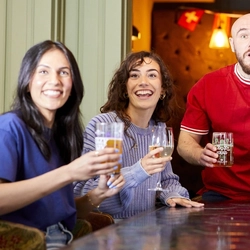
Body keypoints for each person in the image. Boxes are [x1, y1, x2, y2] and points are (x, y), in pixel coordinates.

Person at [0, 40, 125, 249]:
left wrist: (96, 195)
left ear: (73, 84)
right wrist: (69, 173)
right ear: (27, 80)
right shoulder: (10, 127)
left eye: (64, 72)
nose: (55, 80)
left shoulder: (62, 136)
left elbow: (60, 214)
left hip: (63, 239)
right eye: (43, 72)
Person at [74, 51, 204, 220]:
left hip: (148, 232)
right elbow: (83, 192)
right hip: (109, 233)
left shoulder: (158, 129)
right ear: (125, 88)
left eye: (152, 75)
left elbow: (166, 181)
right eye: (134, 75)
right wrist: (138, 170)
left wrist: (172, 195)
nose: (143, 82)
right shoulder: (105, 127)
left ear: (163, 89)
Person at [177, 13, 250, 201]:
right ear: (233, 44)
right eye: (244, 35)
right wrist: (201, 154)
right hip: (222, 194)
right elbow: (185, 143)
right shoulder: (208, 86)